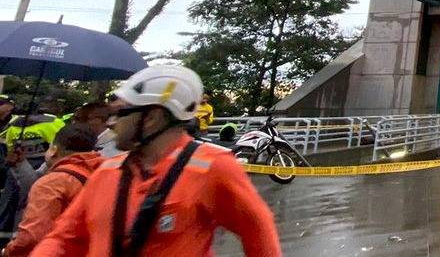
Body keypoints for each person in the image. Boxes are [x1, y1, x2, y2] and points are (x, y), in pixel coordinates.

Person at [30, 65, 281, 257]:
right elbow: (64, 239)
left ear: (151, 118)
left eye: (120, 113)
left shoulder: (212, 168)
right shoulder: (107, 171)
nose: (111, 122)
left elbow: (259, 235)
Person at [5, 125, 102, 257]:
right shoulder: (103, 174)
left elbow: (32, 236)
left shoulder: (52, 183)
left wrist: (9, 251)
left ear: (53, 150)